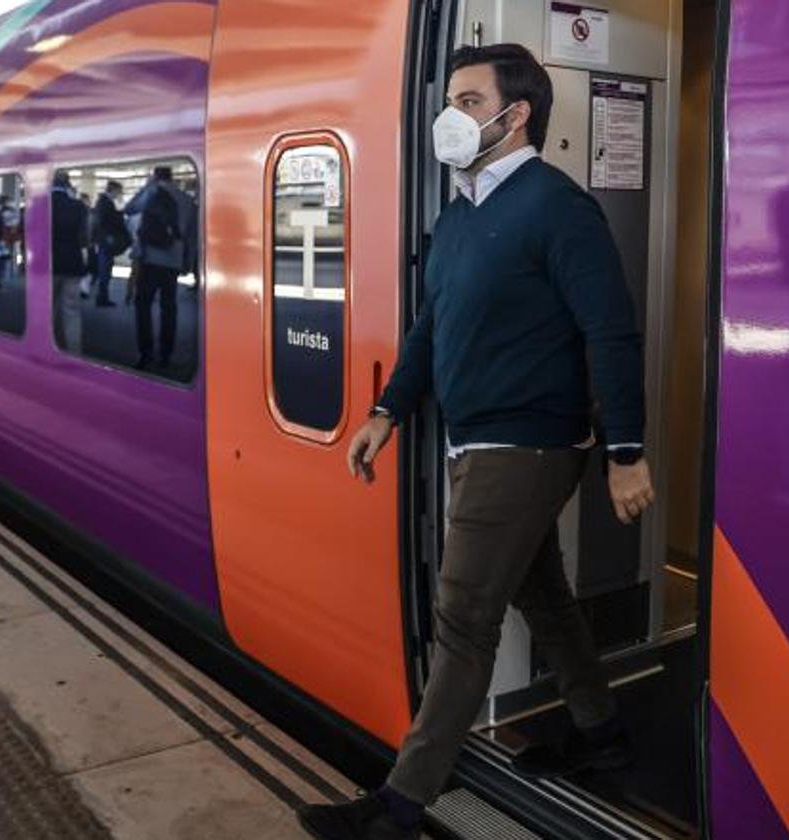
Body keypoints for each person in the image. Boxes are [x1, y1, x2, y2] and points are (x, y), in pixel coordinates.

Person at [296, 44, 655, 840]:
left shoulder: (558, 208)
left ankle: (398, 807)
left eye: (465, 99)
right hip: (476, 441)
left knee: (462, 618)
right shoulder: (462, 214)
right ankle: (605, 735)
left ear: (514, 113)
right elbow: (433, 325)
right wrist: (388, 411)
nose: (448, 116)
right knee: (545, 600)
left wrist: (626, 452)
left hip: (526, 447)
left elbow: (612, 334)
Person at [124, 165, 198, 370]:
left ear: (155, 176)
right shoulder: (187, 200)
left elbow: (129, 208)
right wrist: (188, 263)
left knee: (143, 306)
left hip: (150, 259)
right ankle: (166, 354)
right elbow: (192, 237)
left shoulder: (151, 192)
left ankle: (145, 353)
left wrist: (146, 187)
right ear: (172, 177)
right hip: (173, 262)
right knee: (169, 307)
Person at [51, 170, 89, 354]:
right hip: (73, 263)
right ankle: (74, 352)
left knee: (47, 309)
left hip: (46, 265)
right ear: (68, 184)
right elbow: (84, 238)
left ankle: (49, 348)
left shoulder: (40, 204)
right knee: (72, 310)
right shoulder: (79, 206)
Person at [91, 180, 129, 307]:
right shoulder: (105, 203)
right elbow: (103, 222)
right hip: (107, 240)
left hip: (105, 240)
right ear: (113, 190)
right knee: (105, 270)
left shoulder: (105, 202)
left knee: (106, 269)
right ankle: (102, 298)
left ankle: (103, 297)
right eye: (119, 191)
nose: (120, 194)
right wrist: (107, 236)